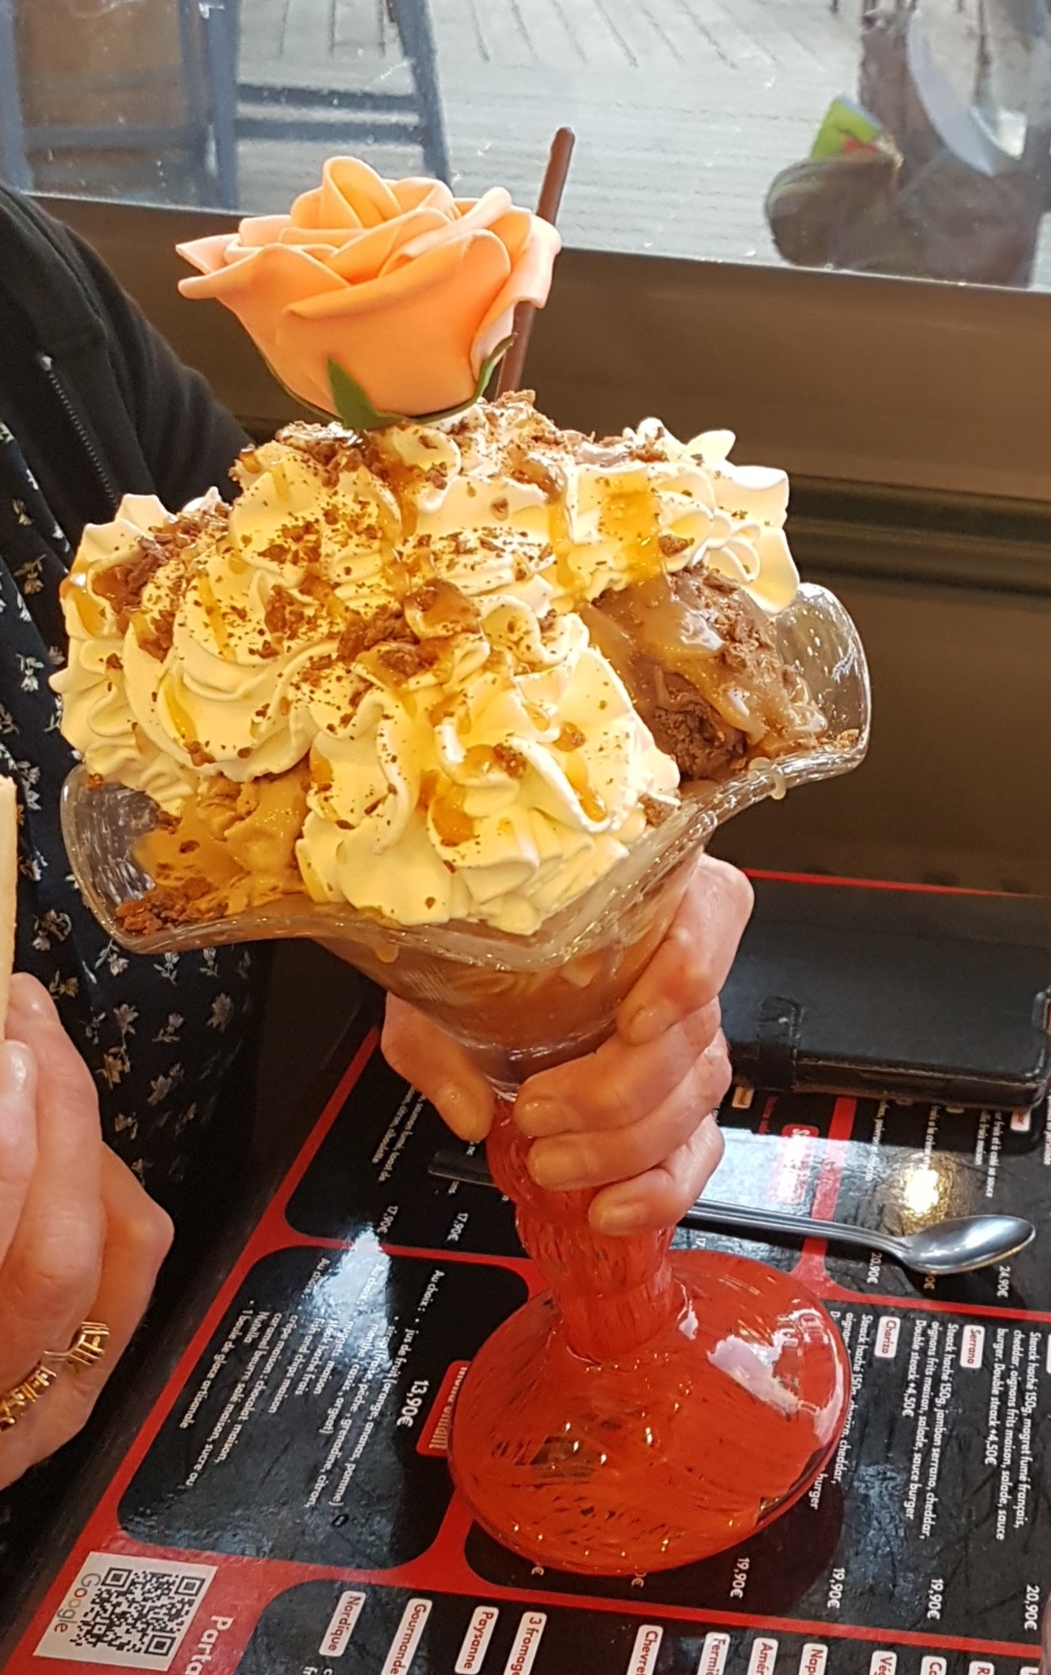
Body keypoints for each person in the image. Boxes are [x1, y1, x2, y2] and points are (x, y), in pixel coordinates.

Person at [0, 185, 749, 1533]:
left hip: (250, 1304)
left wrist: (539, 920)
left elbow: (316, 669)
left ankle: (626, 1348)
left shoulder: (23, 290)